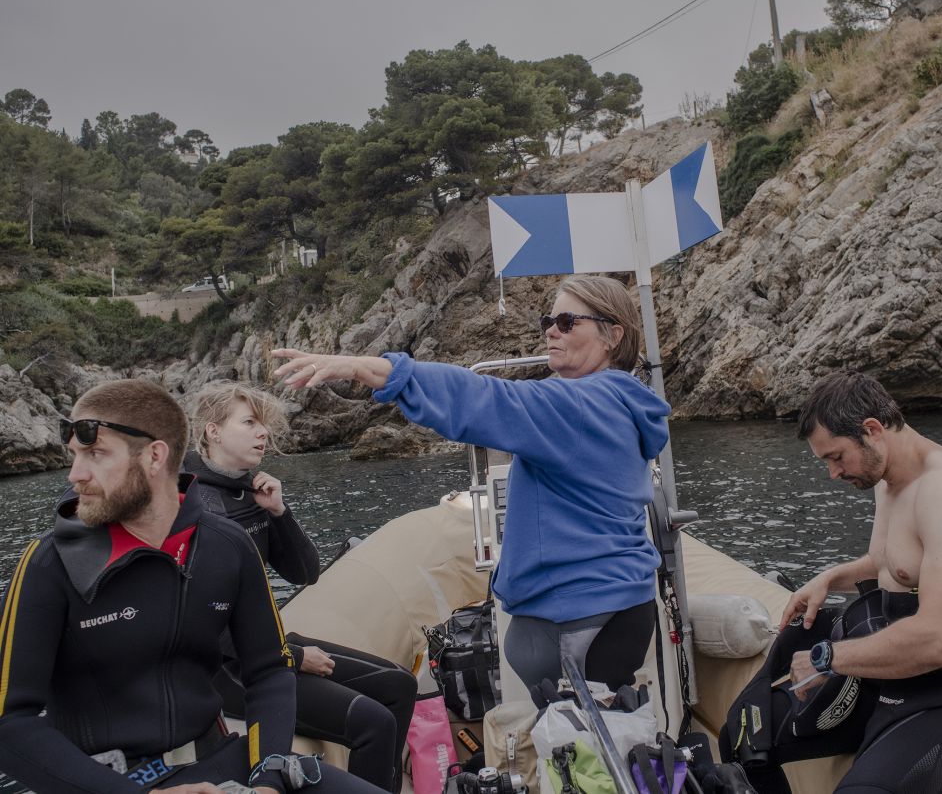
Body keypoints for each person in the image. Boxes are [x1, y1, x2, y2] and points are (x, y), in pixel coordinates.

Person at [271, 275, 670, 692]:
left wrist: (369, 369)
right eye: (548, 319)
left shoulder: (580, 406)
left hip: (580, 621)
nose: (551, 329)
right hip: (615, 607)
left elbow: (483, 398)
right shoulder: (618, 401)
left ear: (612, 336)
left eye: (568, 321)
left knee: (586, 756)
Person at [0, 379, 384, 794]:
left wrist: (270, 774)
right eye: (74, 455)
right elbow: (9, 721)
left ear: (155, 456)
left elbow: (269, 670)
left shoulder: (226, 545)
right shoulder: (48, 563)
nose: (76, 474)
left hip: (227, 759)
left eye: (95, 454)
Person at [720, 371, 942, 794]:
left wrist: (829, 658)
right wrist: (830, 577)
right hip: (901, 672)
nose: (832, 473)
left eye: (836, 457)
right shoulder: (888, 479)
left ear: (872, 430)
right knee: (746, 738)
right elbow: (893, 562)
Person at [183, 382, 417, 793]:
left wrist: (278, 512)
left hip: (266, 648)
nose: (263, 433)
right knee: (373, 723)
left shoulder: (249, 490)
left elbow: (305, 573)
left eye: (264, 424)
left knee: (400, 685)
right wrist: (291, 656)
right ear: (212, 431)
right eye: (250, 422)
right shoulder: (199, 507)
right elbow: (207, 624)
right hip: (228, 671)